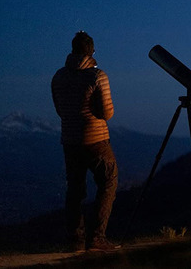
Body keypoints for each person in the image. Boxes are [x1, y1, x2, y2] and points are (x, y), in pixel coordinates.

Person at [51, 31, 119, 252]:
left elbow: (61, 110)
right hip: (96, 138)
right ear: (92, 51)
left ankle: (75, 239)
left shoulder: (59, 77)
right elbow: (107, 113)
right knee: (108, 182)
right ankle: (97, 237)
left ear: (72, 49)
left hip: (70, 140)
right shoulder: (97, 76)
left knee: (75, 189)